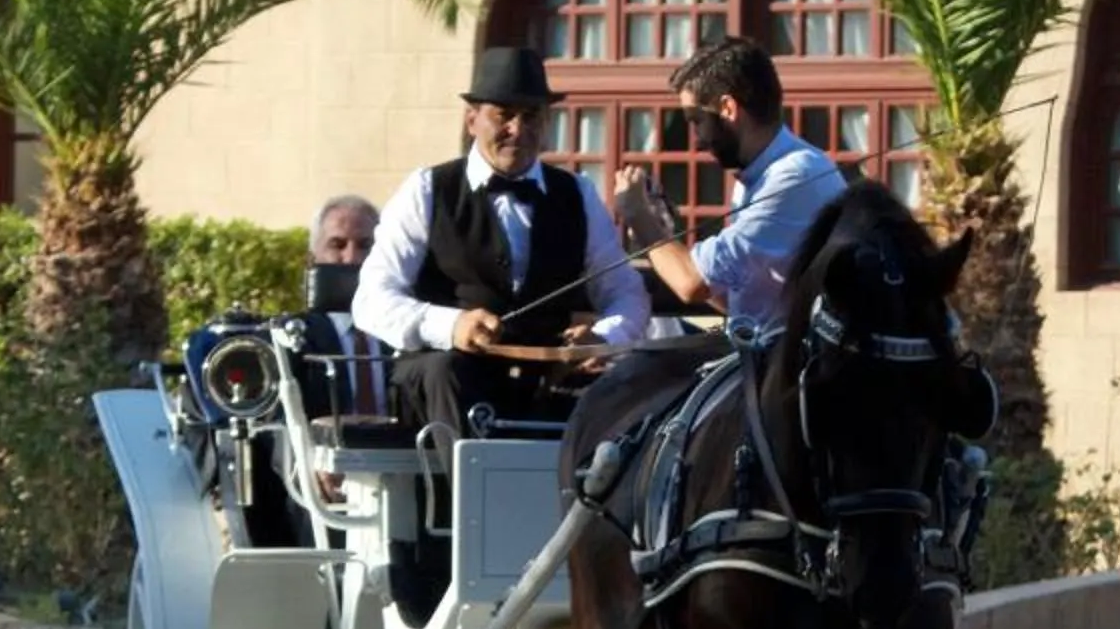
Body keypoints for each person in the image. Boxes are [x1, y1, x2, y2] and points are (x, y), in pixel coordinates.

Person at [354, 44, 649, 438]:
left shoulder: (577, 194)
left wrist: (603, 337)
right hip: (444, 381)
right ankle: (460, 498)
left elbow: (626, 293)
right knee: (447, 371)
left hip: (543, 379)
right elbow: (371, 300)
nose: (518, 130)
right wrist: (449, 325)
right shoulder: (427, 189)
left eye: (531, 117)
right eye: (504, 115)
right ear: (472, 119)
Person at [611, 33, 849, 332]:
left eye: (695, 120)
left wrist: (639, 217)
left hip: (800, 369)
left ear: (727, 108)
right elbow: (734, 298)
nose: (696, 141)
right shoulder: (757, 175)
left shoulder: (794, 176)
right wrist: (668, 235)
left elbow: (692, 284)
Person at [289, 194, 393, 423]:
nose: (352, 258)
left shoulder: (405, 331)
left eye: (366, 246)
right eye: (337, 245)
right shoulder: (296, 339)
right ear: (312, 259)